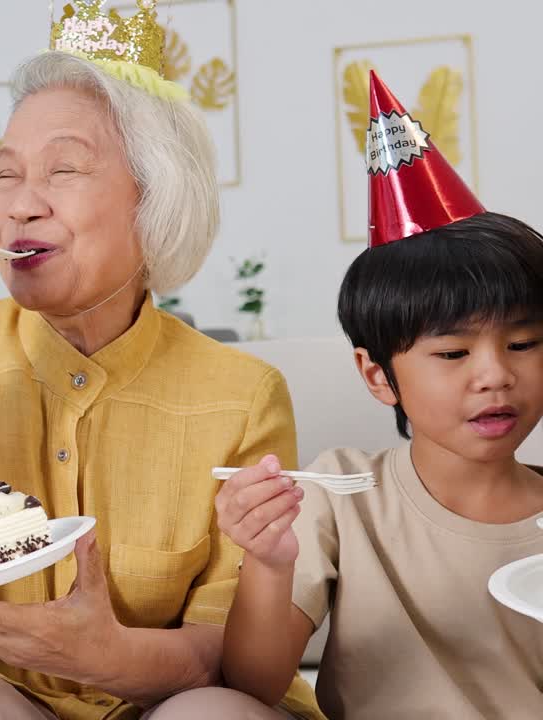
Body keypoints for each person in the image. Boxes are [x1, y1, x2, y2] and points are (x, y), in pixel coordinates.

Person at [0, 1, 317, 717]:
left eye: (64, 168)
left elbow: (228, 657)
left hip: (168, 699)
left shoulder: (244, 394)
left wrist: (106, 656)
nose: (20, 206)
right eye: (5, 175)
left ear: (153, 199)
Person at [216, 70, 543, 718]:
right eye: (452, 353)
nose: (495, 375)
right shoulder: (341, 496)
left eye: (525, 344)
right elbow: (253, 685)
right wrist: (269, 565)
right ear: (376, 375)